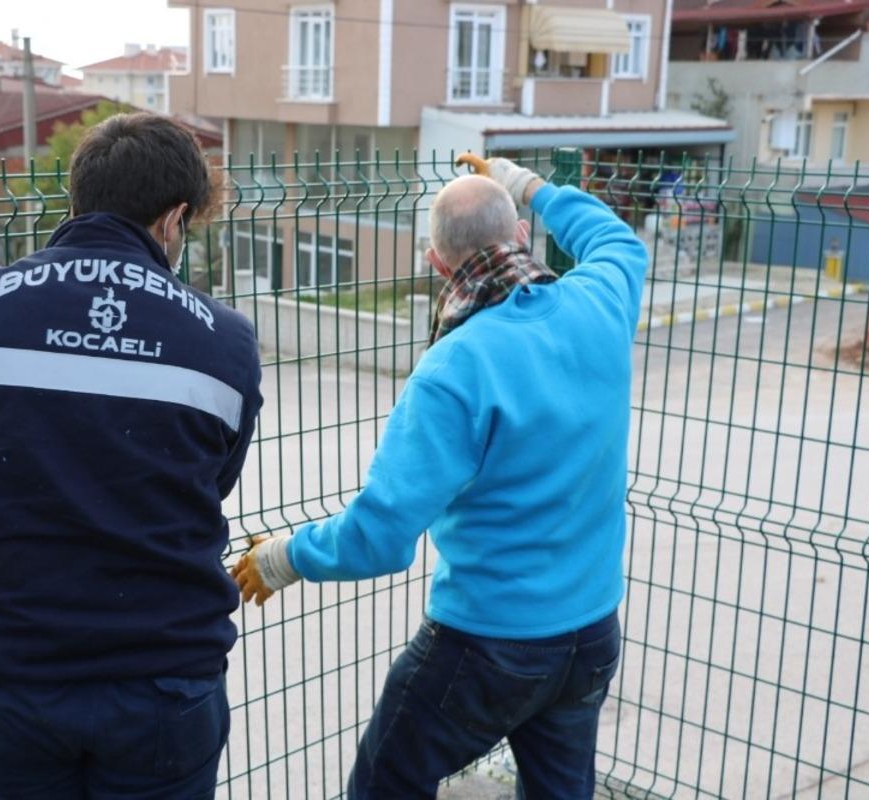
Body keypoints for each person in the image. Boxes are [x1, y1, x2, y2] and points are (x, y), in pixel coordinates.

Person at [233, 157, 648, 799]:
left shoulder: (453, 368)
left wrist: (284, 557)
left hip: (489, 644)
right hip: (590, 632)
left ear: (436, 264)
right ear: (522, 238)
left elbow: (381, 536)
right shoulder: (600, 303)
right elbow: (616, 239)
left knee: (385, 784)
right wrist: (527, 184)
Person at [0, 112, 262, 799]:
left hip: (2, 671)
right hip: (160, 678)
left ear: (78, 197)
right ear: (172, 220)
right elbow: (215, 477)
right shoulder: (225, 342)